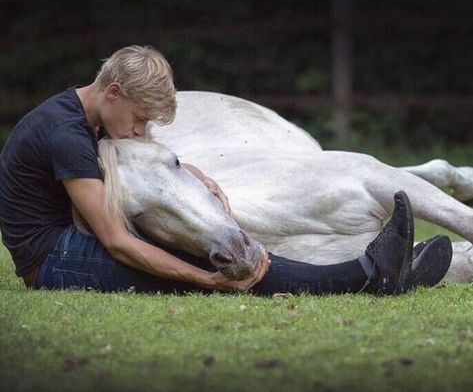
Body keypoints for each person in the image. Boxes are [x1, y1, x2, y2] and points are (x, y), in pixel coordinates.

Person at [0, 45, 452, 296]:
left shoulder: (91, 115)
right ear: (113, 91)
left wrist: (193, 172)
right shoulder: (67, 136)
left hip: (65, 235)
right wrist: (207, 279)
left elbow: (147, 160)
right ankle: (370, 275)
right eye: (138, 119)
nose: (138, 131)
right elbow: (116, 241)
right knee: (195, 264)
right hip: (51, 258)